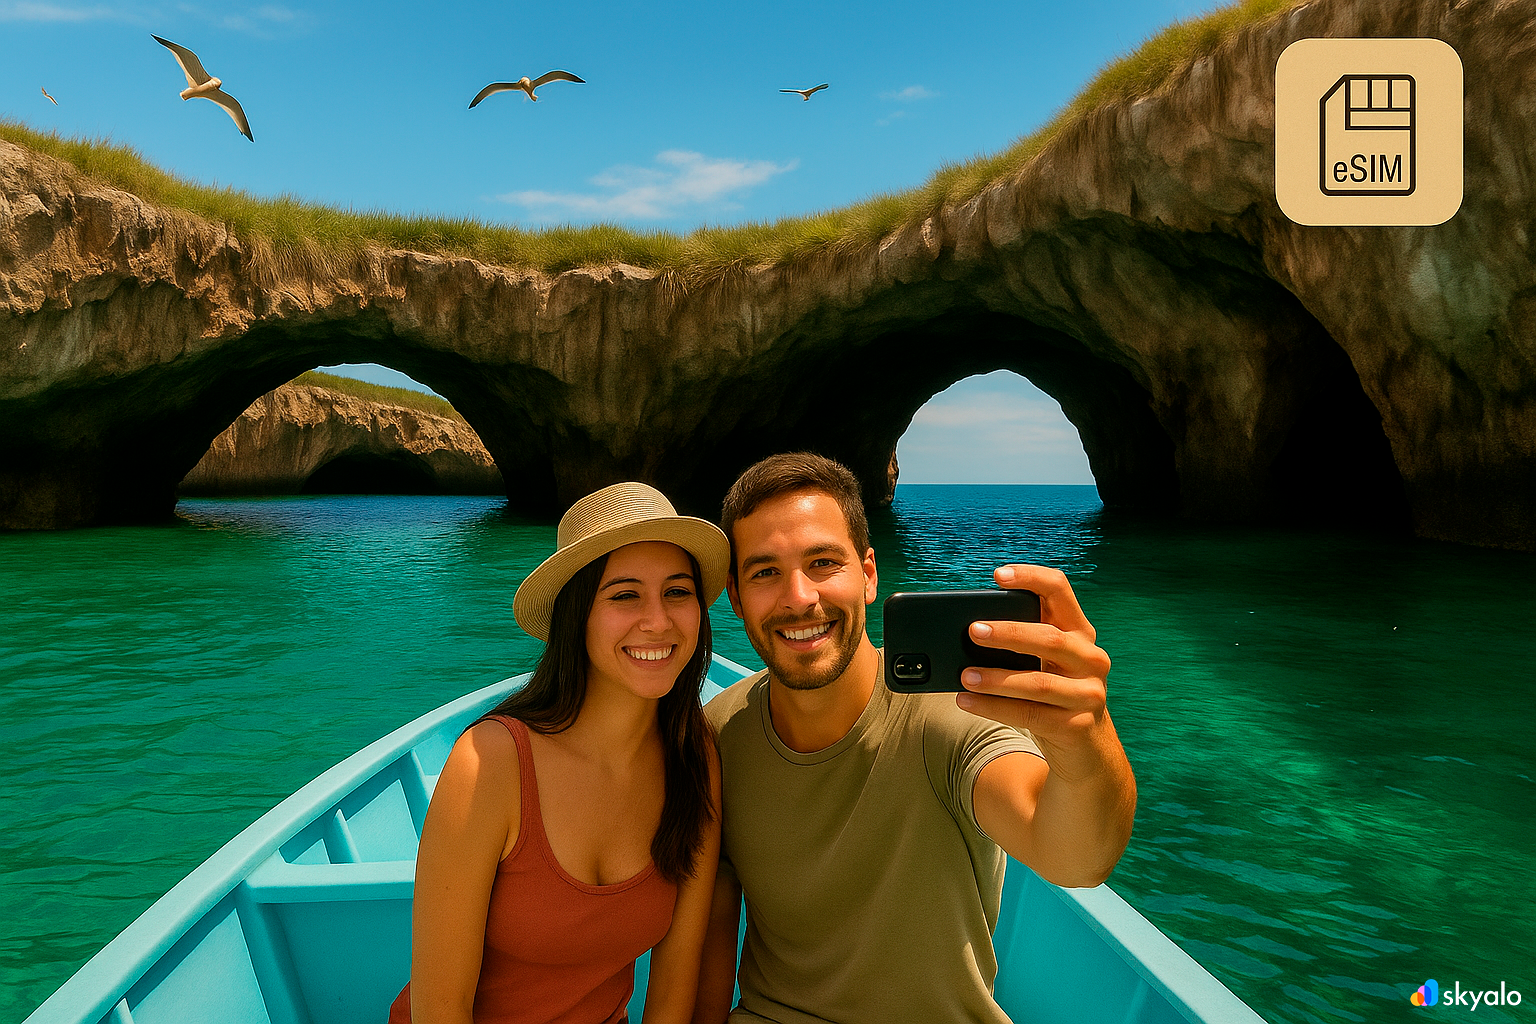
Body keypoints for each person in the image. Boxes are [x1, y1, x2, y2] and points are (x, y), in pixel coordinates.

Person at [692, 453, 1137, 1024]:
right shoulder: (718, 737)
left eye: (823, 562)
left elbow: (1076, 857)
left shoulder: (949, 719)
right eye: (764, 572)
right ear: (734, 597)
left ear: (870, 574)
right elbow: (708, 934)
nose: (799, 598)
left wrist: (1085, 738)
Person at [391, 482, 729, 1024]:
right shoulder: (488, 763)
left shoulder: (694, 757)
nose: (659, 621)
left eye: (677, 591)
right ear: (577, 615)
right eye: (624, 595)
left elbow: (671, 994)